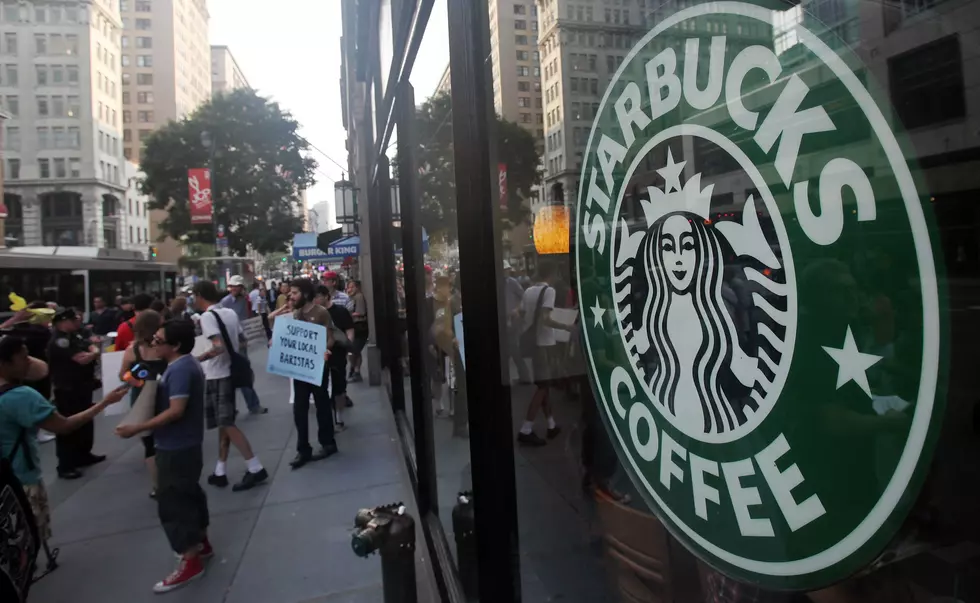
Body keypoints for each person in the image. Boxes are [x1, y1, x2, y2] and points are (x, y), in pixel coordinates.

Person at [115, 319, 213, 593]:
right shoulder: (181, 366)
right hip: (183, 444)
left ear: (176, 345)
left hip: (176, 447)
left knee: (173, 503)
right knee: (189, 493)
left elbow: (176, 410)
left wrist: (138, 427)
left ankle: (189, 559)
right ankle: (200, 542)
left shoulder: (180, 370)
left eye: (158, 340)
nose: (153, 344)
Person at [0, 336, 127, 547]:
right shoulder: (21, 397)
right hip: (20, 477)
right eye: (23, 358)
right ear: (5, 363)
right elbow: (64, 426)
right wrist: (104, 403)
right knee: (26, 540)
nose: (29, 362)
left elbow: (38, 369)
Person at [192, 281, 268, 492]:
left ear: (200, 295)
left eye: (194, 295)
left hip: (217, 374)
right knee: (224, 422)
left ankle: (255, 467)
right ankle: (220, 470)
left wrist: (198, 358)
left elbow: (217, 347)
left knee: (226, 423)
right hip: (230, 372)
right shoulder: (230, 313)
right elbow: (242, 341)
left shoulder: (207, 317)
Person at [283, 278, 337, 469]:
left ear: (305, 294)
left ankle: (328, 443)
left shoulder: (321, 312)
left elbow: (330, 338)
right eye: (291, 293)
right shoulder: (295, 314)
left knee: (322, 403)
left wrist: (326, 350)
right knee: (300, 408)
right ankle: (303, 449)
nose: (291, 296)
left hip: (317, 366)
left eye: (295, 293)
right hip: (300, 368)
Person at [517, 262, 573, 446]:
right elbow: (546, 319)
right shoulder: (549, 291)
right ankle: (526, 428)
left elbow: (522, 314)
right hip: (544, 344)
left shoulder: (528, 291)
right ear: (554, 273)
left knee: (544, 385)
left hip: (533, 345)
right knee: (543, 387)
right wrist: (566, 326)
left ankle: (551, 425)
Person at [47, 308, 105, 478]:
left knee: (85, 420)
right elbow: (82, 358)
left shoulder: (75, 336)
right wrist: (94, 353)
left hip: (82, 385)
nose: (77, 322)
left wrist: (92, 350)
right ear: (62, 321)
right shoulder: (59, 341)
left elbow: (90, 343)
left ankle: (83, 454)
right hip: (67, 388)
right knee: (68, 425)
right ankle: (65, 464)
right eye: (73, 320)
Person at [119, 309, 168, 497]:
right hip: (164, 395)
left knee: (149, 444)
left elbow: (123, 374)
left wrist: (138, 382)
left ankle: (157, 486)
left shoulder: (133, 350)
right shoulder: (163, 347)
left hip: (142, 398)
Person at [220, 275, 267, 415]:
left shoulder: (244, 300)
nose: (235, 289)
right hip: (230, 342)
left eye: (237, 286)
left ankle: (253, 405)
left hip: (241, 341)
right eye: (233, 286)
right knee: (231, 376)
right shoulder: (225, 302)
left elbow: (248, 317)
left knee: (244, 374)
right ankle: (233, 408)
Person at [321, 286, 355, 427]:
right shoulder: (315, 314)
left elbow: (349, 330)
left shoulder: (340, 311)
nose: (315, 300)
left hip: (338, 354)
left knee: (339, 386)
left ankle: (339, 417)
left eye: (317, 297)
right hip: (321, 356)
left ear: (325, 296)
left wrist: (348, 345)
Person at [503, 261, 530, 384]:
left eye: (507, 270)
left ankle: (524, 377)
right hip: (502, 321)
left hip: (512, 320)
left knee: (513, 349)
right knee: (508, 350)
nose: (507, 272)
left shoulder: (512, 282)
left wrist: (517, 309)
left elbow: (523, 297)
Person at [348, 280, 369, 382]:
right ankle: (355, 371)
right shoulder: (352, 298)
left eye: (352, 287)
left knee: (354, 350)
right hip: (355, 327)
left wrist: (348, 314)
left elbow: (360, 312)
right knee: (354, 351)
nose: (349, 289)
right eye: (349, 287)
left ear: (357, 287)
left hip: (360, 327)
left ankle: (356, 371)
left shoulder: (359, 297)